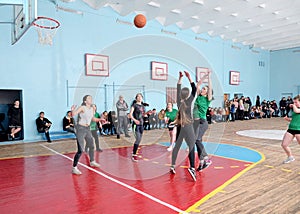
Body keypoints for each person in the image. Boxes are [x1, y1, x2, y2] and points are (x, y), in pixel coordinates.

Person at [170, 71, 197, 181]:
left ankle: (172, 165)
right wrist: (189, 78)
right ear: (188, 94)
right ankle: (192, 168)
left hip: (180, 127)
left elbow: (177, 89)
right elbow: (194, 89)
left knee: (177, 146)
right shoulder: (189, 101)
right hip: (188, 126)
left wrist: (180, 79)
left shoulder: (179, 102)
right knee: (192, 146)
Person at [71, 95, 102, 175]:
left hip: (88, 129)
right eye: (89, 98)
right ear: (85, 101)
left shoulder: (92, 109)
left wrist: (100, 120)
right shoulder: (82, 107)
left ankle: (92, 161)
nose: (91, 99)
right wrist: (72, 110)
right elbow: (73, 114)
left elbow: (93, 119)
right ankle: (74, 167)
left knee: (91, 146)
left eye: (91, 98)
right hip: (80, 129)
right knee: (80, 150)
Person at [193, 70, 213, 171]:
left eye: (204, 89)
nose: (202, 89)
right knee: (197, 141)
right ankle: (201, 163)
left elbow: (210, 87)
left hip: (202, 122)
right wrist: (205, 75)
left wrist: (209, 77)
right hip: (195, 122)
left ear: (207, 92)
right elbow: (198, 84)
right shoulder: (198, 97)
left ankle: (206, 158)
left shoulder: (207, 99)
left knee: (196, 139)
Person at [281, 95, 300, 164]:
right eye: (294, 102)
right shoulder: (295, 110)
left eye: (296, 102)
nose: (294, 104)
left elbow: (297, 111)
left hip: (299, 130)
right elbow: (294, 119)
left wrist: (293, 105)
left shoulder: (296, 109)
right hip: (291, 129)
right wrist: (288, 119)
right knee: (284, 145)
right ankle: (290, 157)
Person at [129, 93, 147, 162]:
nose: (139, 98)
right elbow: (130, 115)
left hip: (142, 125)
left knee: (139, 140)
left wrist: (147, 114)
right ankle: (134, 154)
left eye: (140, 96)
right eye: (138, 97)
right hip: (136, 125)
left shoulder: (142, 106)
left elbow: (142, 115)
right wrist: (135, 120)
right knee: (138, 139)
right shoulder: (134, 105)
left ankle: (134, 152)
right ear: (136, 98)